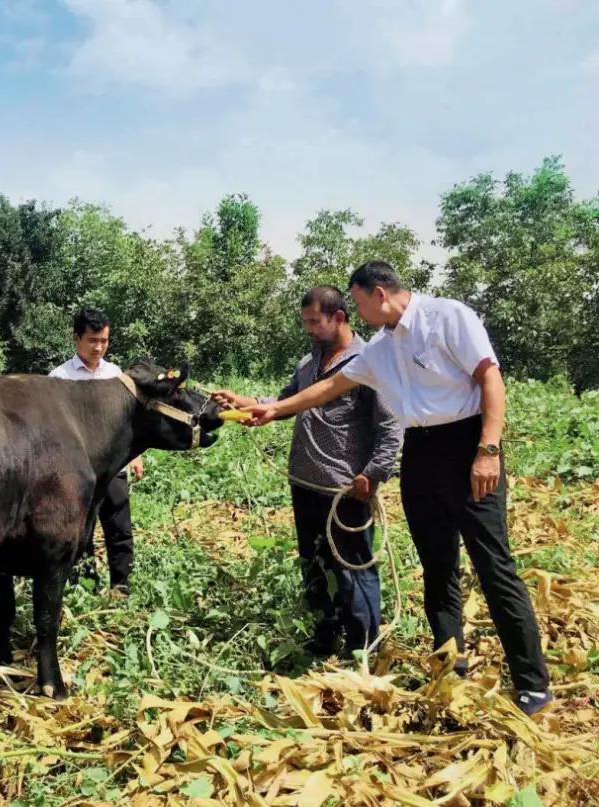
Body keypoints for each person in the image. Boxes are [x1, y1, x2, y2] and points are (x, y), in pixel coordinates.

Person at [217, 261, 553, 717]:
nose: (353, 313)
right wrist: (272, 410)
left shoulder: (448, 317)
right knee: (437, 568)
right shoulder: (381, 347)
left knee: (493, 565)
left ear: (378, 294)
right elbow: (326, 389)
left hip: (467, 445)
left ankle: (532, 682)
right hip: (420, 453)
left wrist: (488, 449)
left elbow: (490, 378)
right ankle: (448, 666)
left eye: (355, 303)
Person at [214, 286, 402, 659]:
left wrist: (374, 473)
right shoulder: (308, 363)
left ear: (339, 318)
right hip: (305, 484)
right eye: (305, 322)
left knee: (352, 568)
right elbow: (282, 403)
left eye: (315, 322)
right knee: (314, 565)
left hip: (345, 490)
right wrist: (246, 403)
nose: (309, 329)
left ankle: (364, 648)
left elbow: (391, 425)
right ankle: (324, 636)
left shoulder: (369, 362)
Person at [49, 308, 144, 597]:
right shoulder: (59, 378)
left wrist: (136, 454)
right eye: (92, 340)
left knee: (118, 524)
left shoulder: (117, 376)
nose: (99, 347)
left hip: (114, 466)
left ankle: (121, 585)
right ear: (76, 339)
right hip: (76, 470)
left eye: (104, 340)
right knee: (81, 530)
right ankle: (86, 586)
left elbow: (129, 422)